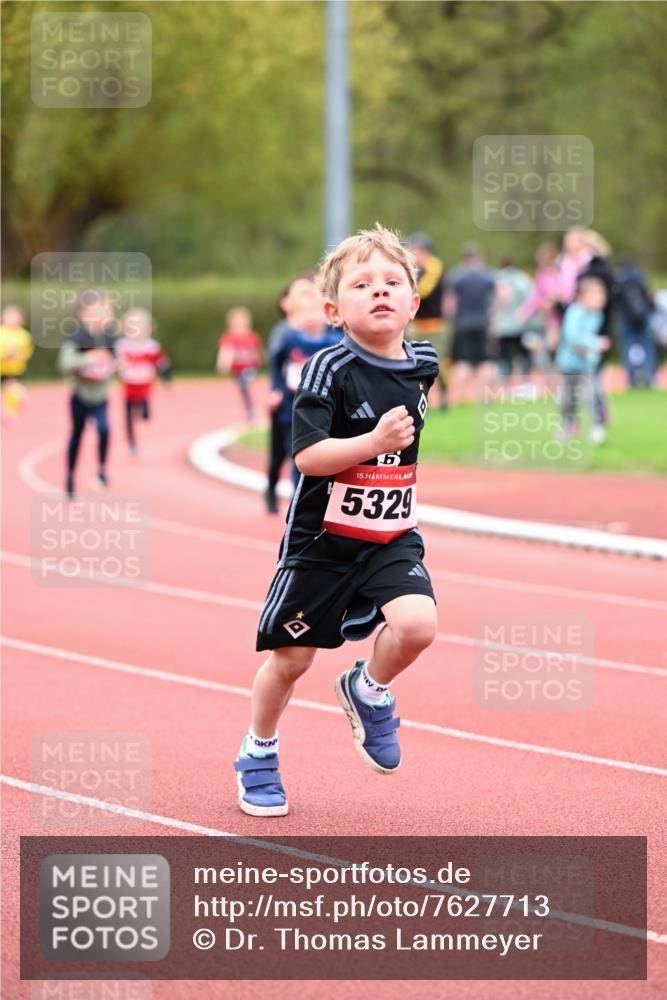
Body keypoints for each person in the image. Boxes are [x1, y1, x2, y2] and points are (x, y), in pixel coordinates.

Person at [233, 223, 440, 817]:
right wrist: (372, 442)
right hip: (321, 542)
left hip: (390, 532)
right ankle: (258, 751)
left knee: (418, 626)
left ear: (413, 304)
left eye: (392, 282)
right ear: (333, 311)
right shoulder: (328, 368)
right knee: (292, 660)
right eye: (362, 284)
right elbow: (307, 458)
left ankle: (367, 689)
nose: (380, 291)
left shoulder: (423, 362)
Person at [268, 289, 341, 496]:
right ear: (295, 315)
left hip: (326, 409)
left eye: (314, 311)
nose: (310, 317)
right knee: (297, 455)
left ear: (327, 313)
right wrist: (276, 389)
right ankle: (298, 497)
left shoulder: (335, 342)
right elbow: (276, 365)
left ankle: (326, 496)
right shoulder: (289, 340)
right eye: (304, 311)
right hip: (293, 407)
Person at [265, 274, 319, 514]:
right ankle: (273, 492)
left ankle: (303, 502)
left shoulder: (327, 332)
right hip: (286, 405)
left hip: (312, 404)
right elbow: (275, 364)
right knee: (281, 453)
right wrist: (275, 390)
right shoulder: (283, 333)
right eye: (301, 294)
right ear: (287, 303)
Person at [57, 289, 118, 499]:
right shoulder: (77, 336)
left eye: (107, 310)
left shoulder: (111, 337)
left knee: (104, 429)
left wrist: (117, 364)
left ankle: (101, 471)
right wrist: (88, 359)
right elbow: (64, 363)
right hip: (80, 396)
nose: (105, 314)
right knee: (77, 435)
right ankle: (70, 475)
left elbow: (119, 360)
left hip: (100, 396)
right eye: (99, 310)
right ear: (83, 314)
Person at [555, 277, 610, 445]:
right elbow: (573, 338)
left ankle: (596, 428)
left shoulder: (597, 315)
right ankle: (566, 426)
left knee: (591, 395)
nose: (601, 300)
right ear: (583, 296)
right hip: (569, 364)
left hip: (587, 365)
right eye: (596, 296)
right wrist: (596, 343)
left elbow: (587, 337)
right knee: (568, 398)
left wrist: (592, 349)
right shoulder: (575, 313)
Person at [444, 243, 496, 401]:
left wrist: (450, 318)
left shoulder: (456, 276)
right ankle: (484, 396)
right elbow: (502, 294)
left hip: (462, 324)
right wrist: (493, 312)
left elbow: (449, 304)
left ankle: (459, 398)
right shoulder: (487, 275)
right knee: (485, 362)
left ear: (463, 258)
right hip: (482, 323)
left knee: (462, 362)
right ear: (479, 257)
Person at [117, 308, 172, 455]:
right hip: (129, 386)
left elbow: (162, 363)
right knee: (128, 415)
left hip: (145, 385)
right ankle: (132, 441)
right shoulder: (121, 346)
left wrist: (167, 379)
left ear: (148, 328)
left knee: (145, 414)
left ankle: (143, 408)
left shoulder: (152, 346)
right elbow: (114, 363)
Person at [407, 233, 448, 407]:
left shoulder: (434, 267)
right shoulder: (413, 270)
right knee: (417, 364)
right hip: (417, 325)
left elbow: (423, 291)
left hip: (435, 326)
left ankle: (444, 395)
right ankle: (423, 399)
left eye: (415, 250)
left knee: (438, 365)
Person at [491, 258, 535, 384]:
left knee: (504, 355)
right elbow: (532, 297)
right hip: (520, 323)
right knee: (523, 353)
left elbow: (491, 302)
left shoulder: (496, 278)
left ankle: (505, 381)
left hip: (502, 325)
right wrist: (525, 314)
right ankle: (526, 380)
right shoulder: (522, 278)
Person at [216, 307, 263, 424]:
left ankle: (251, 410)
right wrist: (223, 364)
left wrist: (258, 360)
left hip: (249, 369)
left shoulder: (252, 336)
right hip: (237, 371)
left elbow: (258, 352)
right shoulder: (229, 337)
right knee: (243, 391)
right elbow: (225, 352)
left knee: (246, 380)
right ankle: (249, 411)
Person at [615, 256, 656, 388]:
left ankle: (632, 378)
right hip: (643, 317)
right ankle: (649, 376)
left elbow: (616, 300)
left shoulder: (619, 279)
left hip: (625, 319)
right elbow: (648, 296)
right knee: (647, 347)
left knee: (627, 347)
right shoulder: (640, 276)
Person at [0, 305, 33, 421]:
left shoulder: (23, 335)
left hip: (14, 368)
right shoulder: (2, 333)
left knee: (10, 387)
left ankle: (13, 407)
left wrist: (17, 356)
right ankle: (11, 409)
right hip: (2, 366)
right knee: (8, 389)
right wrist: (5, 355)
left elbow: (26, 352)